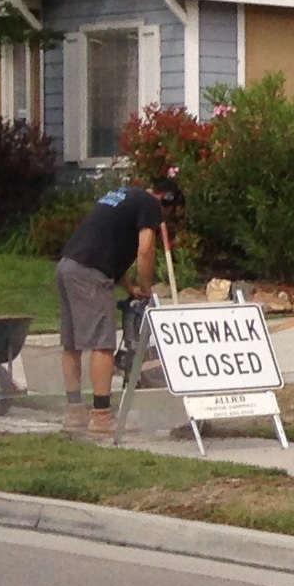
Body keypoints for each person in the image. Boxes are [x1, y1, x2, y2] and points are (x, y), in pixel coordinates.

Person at [56, 175, 175, 438]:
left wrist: (129, 287)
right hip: (90, 273)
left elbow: (107, 247)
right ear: (166, 200)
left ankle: (74, 410)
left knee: (72, 343)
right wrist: (146, 288)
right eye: (168, 214)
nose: (163, 221)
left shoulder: (124, 197)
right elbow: (145, 249)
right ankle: (101, 416)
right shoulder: (150, 205)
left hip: (68, 265)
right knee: (103, 344)